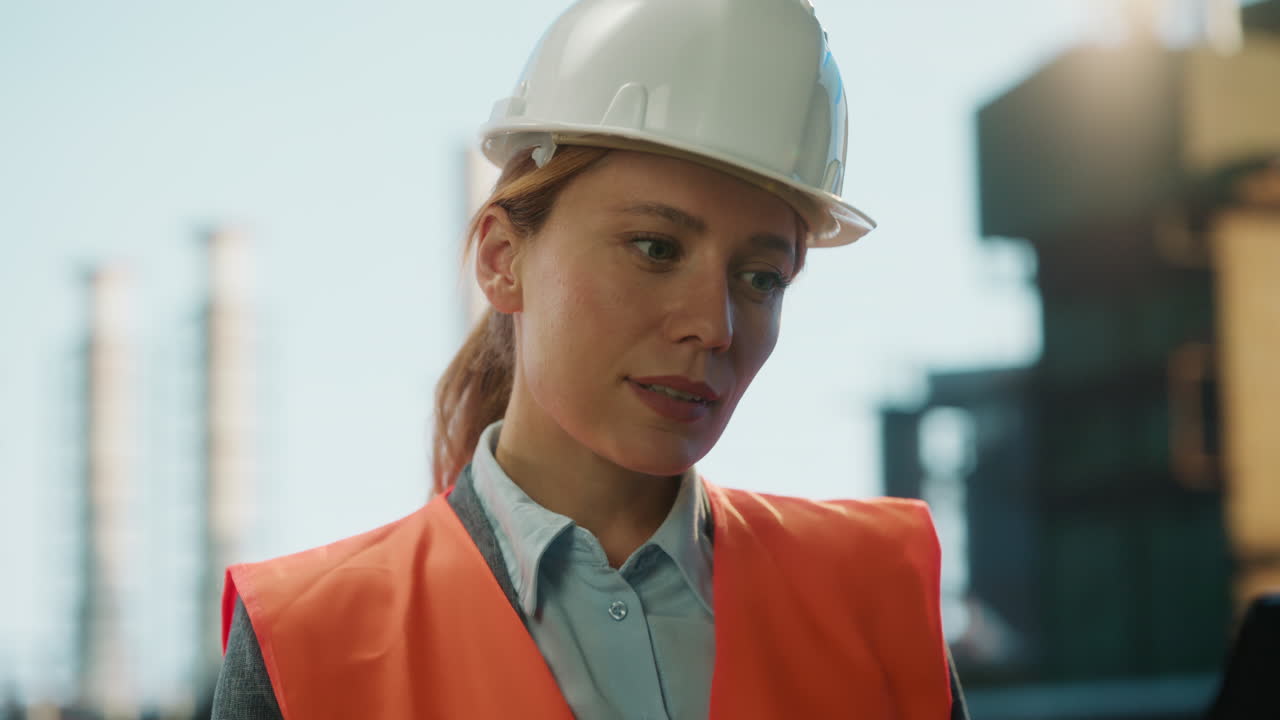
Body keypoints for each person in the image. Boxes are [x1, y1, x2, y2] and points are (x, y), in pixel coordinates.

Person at [212, 0, 969, 717]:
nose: (715, 325)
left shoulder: (878, 599)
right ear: (503, 259)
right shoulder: (309, 647)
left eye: (761, 277)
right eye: (655, 248)